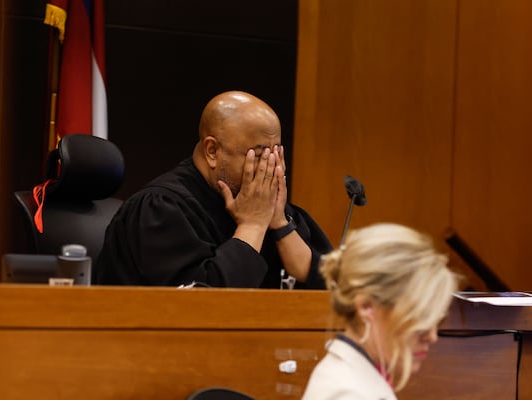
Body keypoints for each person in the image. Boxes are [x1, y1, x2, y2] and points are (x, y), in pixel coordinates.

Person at [94, 90, 333, 288]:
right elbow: (203, 306)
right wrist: (252, 226)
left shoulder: (269, 205)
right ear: (212, 151)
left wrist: (280, 225)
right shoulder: (161, 209)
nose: (270, 170)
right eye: (259, 155)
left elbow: (334, 289)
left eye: (276, 155)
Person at [302, 223, 459, 399]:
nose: (432, 336)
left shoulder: (354, 377)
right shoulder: (349, 394)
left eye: (436, 321)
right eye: (420, 317)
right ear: (366, 306)